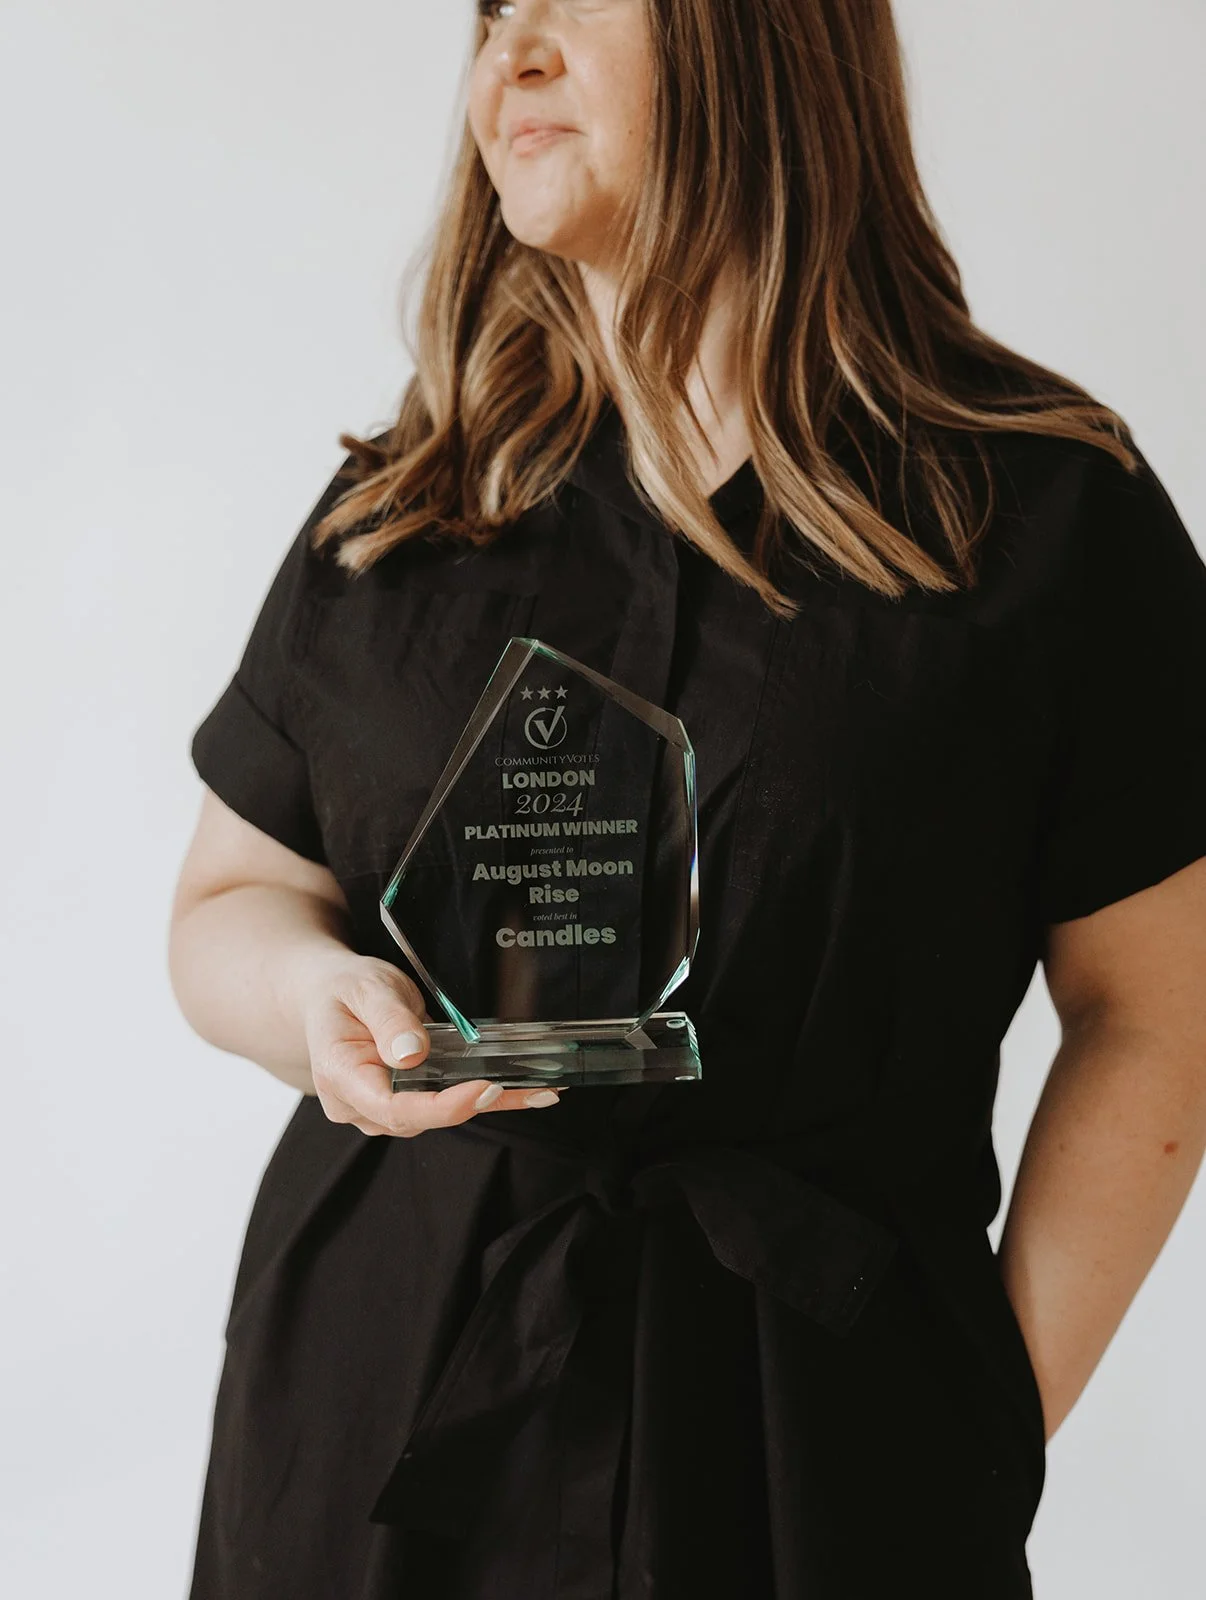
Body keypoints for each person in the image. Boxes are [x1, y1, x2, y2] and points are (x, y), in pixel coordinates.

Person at [169, 1, 1206, 1596]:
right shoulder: (408, 504)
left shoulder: (1044, 514)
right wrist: (317, 997)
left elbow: (1157, 1010)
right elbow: (229, 902)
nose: (506, 56)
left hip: (816, 1440)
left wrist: (982, 1421)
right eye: (491, 13)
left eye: (568, 4)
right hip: (378, 1426)